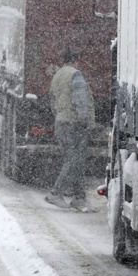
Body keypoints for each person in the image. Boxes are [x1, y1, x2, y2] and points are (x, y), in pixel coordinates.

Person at [45, 47, 95, 212]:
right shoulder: (75, 75)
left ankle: (79, 198)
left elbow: (52, 101)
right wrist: (85, 120)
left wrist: (60, 114)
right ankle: (55, 193)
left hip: (61, 122)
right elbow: (80, 100)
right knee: (74, 160)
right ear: (75, 60)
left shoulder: (57, 75)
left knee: (75, 161)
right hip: (74, 124)